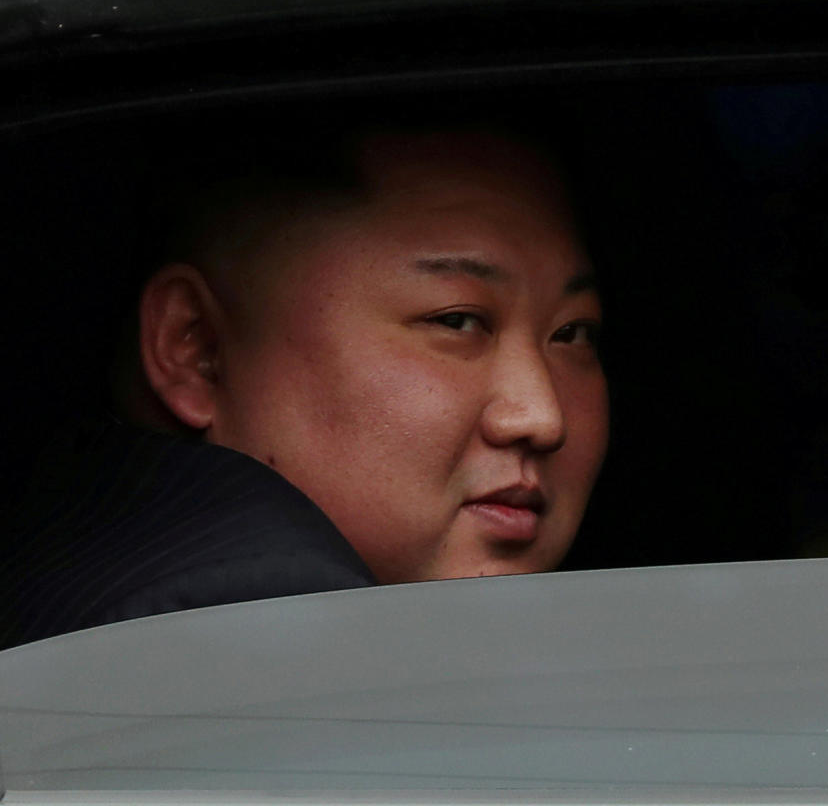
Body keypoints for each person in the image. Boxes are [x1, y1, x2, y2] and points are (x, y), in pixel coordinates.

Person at [1, 125, 609, 647]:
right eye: (455, 321)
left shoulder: (85, 545)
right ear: (198, 350)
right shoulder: (247, 630)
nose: (541, 415)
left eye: (573, 333)